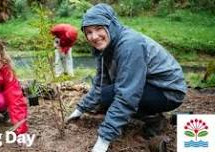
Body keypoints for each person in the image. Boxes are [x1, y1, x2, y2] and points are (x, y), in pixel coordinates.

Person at [66, 3, 187, 152]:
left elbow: (127, 94)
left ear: (111, 25)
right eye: (89, 32)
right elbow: (100, 83)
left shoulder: (130, 44)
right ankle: (147, 114)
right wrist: (80, 109)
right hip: (148, 85)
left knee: (114, 95)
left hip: (168, 91)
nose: (94, 36)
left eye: (99, 29)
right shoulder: (105, 46)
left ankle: (154, 120)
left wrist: (104, 138)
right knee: (105, 95)